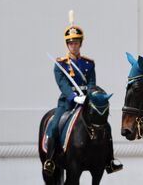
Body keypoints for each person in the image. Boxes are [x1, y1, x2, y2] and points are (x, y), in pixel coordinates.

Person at [43, 12, 122, 176]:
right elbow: (63, 85)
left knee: (105, 125)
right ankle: (50, 159)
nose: (74, 45)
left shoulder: (88, 63)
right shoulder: (60, 64)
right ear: (67, 44)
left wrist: (91, 94)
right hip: (67, 102)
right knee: (54, 125)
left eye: (76, 42)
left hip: (87, 101)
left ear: (80, 43)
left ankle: (110, 160)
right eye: (71, 43)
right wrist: (74, 97)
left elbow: (92, 82)